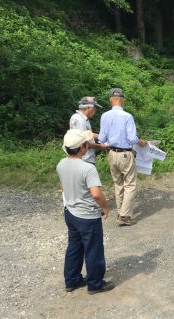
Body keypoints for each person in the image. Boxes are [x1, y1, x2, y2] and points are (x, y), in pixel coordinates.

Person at [57, 129, 115, 294]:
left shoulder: (61, 164)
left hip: (70, 212)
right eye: (86, 144)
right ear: (82, 148)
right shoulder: (88, 168)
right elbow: (96, 194)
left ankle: (72, 280)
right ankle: (95, 284)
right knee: (93, 249)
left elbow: (63, 187)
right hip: (87, 216)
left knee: (74, 246)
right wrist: (105, 207)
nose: (88, 146)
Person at [97, 87, 148, 227]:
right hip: (125, 154)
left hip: (112, 154)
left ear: (110, 100)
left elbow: (101, 139)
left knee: (118, 184)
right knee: (130, 184)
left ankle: (120, 212)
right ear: (123, 100)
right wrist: (140, 142)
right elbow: (132, 138)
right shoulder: (127, 116)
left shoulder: (104, 116)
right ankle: (125, 216)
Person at [68, 96, 108, 165]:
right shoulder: (79, 120)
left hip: (86, 159)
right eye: (95, 108)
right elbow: (82, 142)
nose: (95, 111)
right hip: (84, 159)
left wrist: (101, 136)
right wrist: (100, 146)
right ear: (89, 108)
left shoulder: (83, 118)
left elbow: (87, 134)